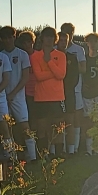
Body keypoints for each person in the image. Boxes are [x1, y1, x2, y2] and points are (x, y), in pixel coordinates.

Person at [0, 26, 36, 162]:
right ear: (2, 40)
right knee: (5, 127)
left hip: (18, 97)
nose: (8, 40)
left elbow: (25, 77)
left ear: (14, 37)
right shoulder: (0, 55)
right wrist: (4, 94)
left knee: (24, 126)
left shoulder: (22, 54)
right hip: (3, 97)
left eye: (10, 37)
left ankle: (33, 157)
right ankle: (11, 157)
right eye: (5, 38)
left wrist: (13, 93)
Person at [30, 27, 66, 158]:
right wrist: (53, 72)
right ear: (42, 38)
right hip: (41, 98)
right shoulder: (35, 56)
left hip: (57, 97)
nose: (49, 39)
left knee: (58, 128)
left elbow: (61, 75)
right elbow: (38, 76)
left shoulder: (61, 55)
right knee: (42, 128)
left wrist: (49, 61)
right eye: (47, 36)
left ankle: (59, 155)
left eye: (52, 37)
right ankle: (43, 155)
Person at [61, 23, 86, 154]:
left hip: (75, 88)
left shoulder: (79, 49)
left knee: (75, 119)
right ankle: (63, 149)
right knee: (62, 118)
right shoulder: (56, 48)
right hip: (59, 89)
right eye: (65, 32)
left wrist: (71, 66)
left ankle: (74, 149)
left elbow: (83, 68)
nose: (68, 34)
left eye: (70, 32)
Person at [82, 32, 98, 156]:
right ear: (87, 43)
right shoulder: (84, 59)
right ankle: (89, 149)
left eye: (95, 41)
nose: (93, 44)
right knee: (89, 121)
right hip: (88, 93)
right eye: (90, 41)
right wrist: (82, 85)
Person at [56, 31, 80, 157]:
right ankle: (57, 151)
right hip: (55, 93)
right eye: (61, 40)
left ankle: (71, 151)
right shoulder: (52, 56)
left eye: (65, 40)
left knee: (70, 120)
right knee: (57, 122)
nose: (63, 43)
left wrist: (67, 88)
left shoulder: (72, 57)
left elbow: (75, 77)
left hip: (69, 93)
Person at [18, 30, 38, 132]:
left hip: (39, 93)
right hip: (26, 93)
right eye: (24, 42)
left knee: (38, 121)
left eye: (29, 41)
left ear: (33, 42)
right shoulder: (20, 56)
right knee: (27, 120)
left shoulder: (40, 55)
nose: (27, 44)